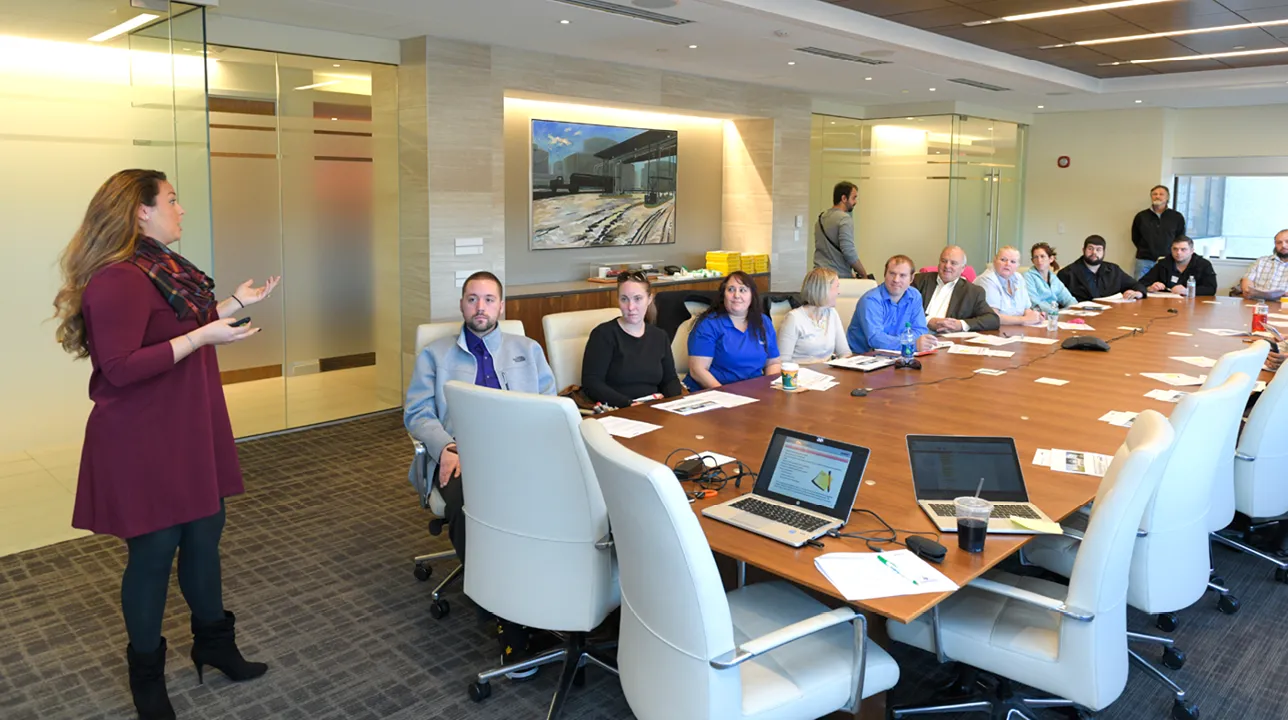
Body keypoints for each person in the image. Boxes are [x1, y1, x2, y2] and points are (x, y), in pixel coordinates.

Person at [52, 169, 275, 720]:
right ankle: (146, 676)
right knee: (153, 554)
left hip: (187, 424)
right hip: (143, 436)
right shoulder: (117, 279)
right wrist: (205, 335)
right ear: (140, 212)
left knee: (205, 534)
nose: (181, 209)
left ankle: (214, 644)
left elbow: (176, 324)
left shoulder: (160, 268)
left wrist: (226, 306)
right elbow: (121, 368)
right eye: (172, 200)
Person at [403, 271, 557, 675]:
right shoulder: (435, 355)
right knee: (473, 509)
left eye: (489, 299)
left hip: (522, 452)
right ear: (461, 305)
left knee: (566, 500)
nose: (481, 307)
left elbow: (549, 404)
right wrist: (446, 447)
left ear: (502, 307)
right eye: (473, 299)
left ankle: (555, 595)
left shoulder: (527, 348)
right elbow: (417, 413)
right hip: (462, 455)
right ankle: (507, 616)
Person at [580, 271, 683, 407]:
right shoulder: (603, 335)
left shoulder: (659, 336)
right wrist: (629, 404)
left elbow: (670, 379)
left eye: (638, 299)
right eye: (624, 299)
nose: (630, 307)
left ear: (649, 299)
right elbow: (592, 383)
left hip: (654, 407)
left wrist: (673, 402)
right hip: (617, 408)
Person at [684, 271, 781, 389]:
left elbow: (773, 363)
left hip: (754, 392)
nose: (736, 295)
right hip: (714, 391)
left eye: (743, 290)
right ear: (723, 295)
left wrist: (768, 388)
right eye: (731, 289)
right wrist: (725, 394)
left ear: (752, 295)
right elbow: (698, 371)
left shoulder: (763, 322)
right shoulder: (709, 324)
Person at [846, 255, 936, 353]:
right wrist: (911, 344)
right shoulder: (871, 300)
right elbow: (875, 339)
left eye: (902, 275)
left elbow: (920, 330)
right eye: (892, 273)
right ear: (885, 274)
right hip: (862, 357)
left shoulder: (914, 296)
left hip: (899, 355)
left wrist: (905, 343)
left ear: (911, 278)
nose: (896, 280)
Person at [911, 245, 999, 333]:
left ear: (963, 268)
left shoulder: (973, 292)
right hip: (916, 334)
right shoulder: (919, 280)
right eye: (944, 261)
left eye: (953, 263)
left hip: (949, 339)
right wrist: (928, 320)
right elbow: (905, 307)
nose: (947, 266)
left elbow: (992, 319)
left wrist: (961, 324)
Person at [777, 267, 851, 363]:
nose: (839, 292)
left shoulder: (832, 314)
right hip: (801, 375)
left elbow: (844, 352)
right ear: (823, 289)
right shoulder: (794, 319)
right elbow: (782, 362)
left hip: (828, 375)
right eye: (836, 287)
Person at [1058, 235, 1146, 303]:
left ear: (1104, 252)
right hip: (1081, 316)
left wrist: (1138, 293)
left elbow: (1137, 285)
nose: (1094, 252)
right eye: (1090, 248)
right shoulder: (1067, 273)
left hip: (1111, 315)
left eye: (1098, 249)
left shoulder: (1114, 270)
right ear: (1083, 250)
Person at [974, 246, 1043, 326]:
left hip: (1014, 330)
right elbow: (993, 317)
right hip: (991, 331)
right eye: (1003, 260)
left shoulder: (1018, 278)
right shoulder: (987, 279)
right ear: (994, 260)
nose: (1007, 264)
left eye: (1013, 262)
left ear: (1017, 265)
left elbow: (1026, 309)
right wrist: (1024, 320)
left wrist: (1035, 316)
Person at [1131, 184, 1186, 278]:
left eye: (1161, 194)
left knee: (1167, 288)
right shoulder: (1141, 216)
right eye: (1154, 194)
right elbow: (1135, 237)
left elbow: (1180, 238)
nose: (1157, 196)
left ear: (1167, 197)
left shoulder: (1177, 217)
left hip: (1168, 259)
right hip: (1144, 260)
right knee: (1139, 288)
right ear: (1151, 197)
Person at [814, 181, 867, 278]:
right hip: (837, 278)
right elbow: (848, 251)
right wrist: (864, 274)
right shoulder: (844, 219)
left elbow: (824, 249)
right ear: (844, 198)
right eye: (854, 198)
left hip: (819, 275)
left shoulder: (821, 218)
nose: (855, 202)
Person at [1141, 236, 1218, 297]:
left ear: (1191, 251)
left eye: (1183, 249)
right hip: (1166, 304)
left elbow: (1211, 289)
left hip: (1194, 304)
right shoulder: (1163, 263)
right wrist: (1150, 287)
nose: (1178, 253)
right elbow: (1141, 283)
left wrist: (1187, 291)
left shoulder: (1203, 265)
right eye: (1175, 249)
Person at [1024, 242, 1077, 314]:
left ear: (1051, 259)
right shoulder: (1028, 276)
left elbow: (1068, 298)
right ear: (1032, 260)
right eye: (1035, 257)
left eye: (1042, 256)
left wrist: (1077, 309)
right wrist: (1055, 312)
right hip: (1039, 316)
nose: (1039, 260)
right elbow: (1034, 302)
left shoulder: (1053, 278)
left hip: (1055, 315)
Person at [1240, 229, 1288, 300]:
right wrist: (1247, 290)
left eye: (1287, 241)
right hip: (1258, 303)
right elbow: (1247, 280)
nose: (1283, 245)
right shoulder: (1261, 261)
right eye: (1279, 242)